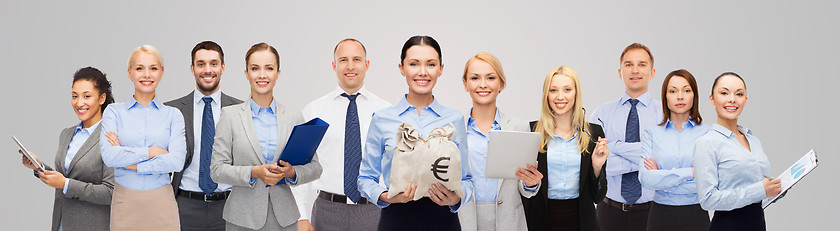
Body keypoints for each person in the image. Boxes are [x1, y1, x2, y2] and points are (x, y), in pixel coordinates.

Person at [357, 35, 473, 231]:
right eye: (413, 64)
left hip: (443, 221)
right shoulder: (383, 119)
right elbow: (365, 178)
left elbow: (467, 179)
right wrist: (386, 196)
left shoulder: (453, 120)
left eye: (430, 64)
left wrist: (455, 199)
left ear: (440, 69)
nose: (422, 72)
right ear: (402, 68)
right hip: (395, 219)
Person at [209, 42, 323, 231]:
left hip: (285, 219)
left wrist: (291, 173)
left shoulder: (294, 116)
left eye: (269, 68)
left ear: (278, 73)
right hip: (242, 219)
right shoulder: (230, 116)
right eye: (255, 68)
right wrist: (254, 172)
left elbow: (315, 167)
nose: (262, 75)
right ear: (246, 73)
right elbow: (217, 170)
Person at [291, 38, 391, 231]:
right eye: (343, 60)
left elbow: (396, 167)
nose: (350, 66)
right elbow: (299, 166)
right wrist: (301, 215)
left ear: (367, 64)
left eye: (357, 59)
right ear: (334, 65)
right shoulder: (314, 111)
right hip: (327, 211)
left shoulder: (386, 112)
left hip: (374, 210)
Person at [99, 45, 187, 231]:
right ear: (130, 73)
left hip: (162, 202)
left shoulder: (173, 115)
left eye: (153, 68)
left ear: (161, 73)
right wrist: (152, 152)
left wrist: (130, 162)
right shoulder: (114, 112)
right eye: (139, 68)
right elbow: (109, 157)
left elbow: (177, 162)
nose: (146, 74)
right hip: (125, 202)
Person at [19, 67, 116, 231]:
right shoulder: (66, 134)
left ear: (102, 98)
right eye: (74, 96)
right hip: (62, 222)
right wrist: (38, 165)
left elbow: (110, 193)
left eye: (87, 96)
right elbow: (65, 176)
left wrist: (65, 184)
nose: (79, 103)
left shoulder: (111, 137)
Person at [456, 52, 542, 231]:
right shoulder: (453, 131)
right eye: (475, 78)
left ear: (501, 84)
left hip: (509, 222)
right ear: (465, 84)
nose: (483, 84)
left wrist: (531, 182)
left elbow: (524, 188)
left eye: (490, 77)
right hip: (464, 221)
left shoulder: (520, 127)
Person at [165, 41, 243, 231]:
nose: (207, 70)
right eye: (201, 64)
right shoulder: (171, 111)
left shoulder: (241, 110)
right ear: (192, 69)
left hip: (229, 207)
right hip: (185, 206)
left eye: (214, 64)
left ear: (223, 67)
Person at [523, 66, 609, 231]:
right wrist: (529, 185)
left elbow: (598, 197)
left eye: (567, 89)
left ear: (576, 93)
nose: (560, 96)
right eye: (553, 90)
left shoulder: (594, 133)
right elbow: (523, 190)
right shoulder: (531, 131)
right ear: (546, 95)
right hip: (540, 221)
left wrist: (597, 167)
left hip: (582, 222)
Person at [694, 72, 780, 231]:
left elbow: (756, 188)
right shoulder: (706, 143)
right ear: (712, 99)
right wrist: (760, 190)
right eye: (724, 93)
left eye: (739, 94)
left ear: (745, 100)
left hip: (758, 224)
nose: (732, 99)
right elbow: (708, 200)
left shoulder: (753, 140)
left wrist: (774, 190)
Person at [589, 43, 662, 231]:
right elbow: (599, 164)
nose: (635, 70)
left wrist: (614, 147)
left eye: (642, 64)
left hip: (654, 212)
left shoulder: (665, 114)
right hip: (608, 211)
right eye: (629, 64)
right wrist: (646, 159)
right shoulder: (601, 114)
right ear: (620, 72)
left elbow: (665, 161)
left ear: (652, 72)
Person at [638, 69, 710, 231]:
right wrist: (692, 172)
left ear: (694, 96)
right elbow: (645, 178)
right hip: (660, 216)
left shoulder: (707, 134)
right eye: (673, 91)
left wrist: (662, 179)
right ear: (665, 97)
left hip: (696, 215)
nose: (680, 96)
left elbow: (710, 181)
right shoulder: (652, 133)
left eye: (686, 90)